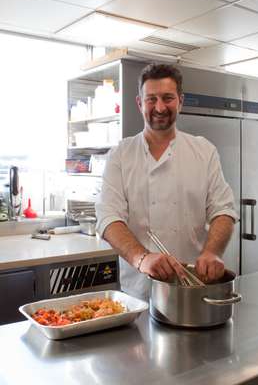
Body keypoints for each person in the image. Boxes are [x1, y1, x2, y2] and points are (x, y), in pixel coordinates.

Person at [95, 63, 238, 300]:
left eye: (167, 98)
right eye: (151, 99)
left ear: (180, 101)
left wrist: (213, 252)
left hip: (194, 287)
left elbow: (223, 210)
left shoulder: (203, 151)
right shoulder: (120, 155)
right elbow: (109, 219)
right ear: (140, 103)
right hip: (139, 292)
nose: (160, 107)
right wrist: (143, 258)